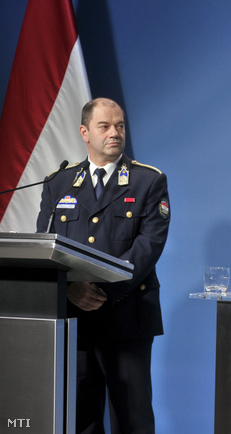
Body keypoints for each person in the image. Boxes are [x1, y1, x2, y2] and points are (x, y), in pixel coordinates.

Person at [36, 98, 171, 434]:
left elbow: (148, 245)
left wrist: (99, 290)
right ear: (85, 132)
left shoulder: (148, 181)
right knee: (81, 420)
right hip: (73, 322)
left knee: (133, 421)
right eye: (105, 126)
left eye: (120, 126)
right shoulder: (59, 183)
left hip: (126, 317)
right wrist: (70, 288)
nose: (115, 133)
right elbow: (46, 244)